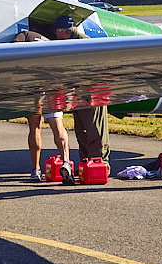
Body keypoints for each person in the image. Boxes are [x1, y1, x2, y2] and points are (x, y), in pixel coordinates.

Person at [12, 29, 75, 183]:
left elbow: (13, 50)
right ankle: (66, 161)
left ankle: (36, 170)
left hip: (35, 85)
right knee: (57, 126)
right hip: (53, 84)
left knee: (35, 127)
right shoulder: (49, 43)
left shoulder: (24, 35)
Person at [52, 16, 110, 170]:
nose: (55, 34)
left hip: (92, 93)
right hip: (79, 93)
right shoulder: (70, 42)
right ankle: (86, 164)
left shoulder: (84, 42)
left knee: (94, 130)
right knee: (81, 130)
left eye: (56, 31)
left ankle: (100, 164)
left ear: (64, 31)